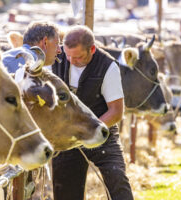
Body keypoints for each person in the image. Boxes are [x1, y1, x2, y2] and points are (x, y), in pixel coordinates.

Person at [51, 25, 134, 200]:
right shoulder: (56, 59)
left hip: (102, 130)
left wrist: (90, 130)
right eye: (68, 55)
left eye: (78, 57)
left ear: (93, 49)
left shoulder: (108, 66)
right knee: (65, 191)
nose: (72, 61)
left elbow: (116, 111)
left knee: (118, 180)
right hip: (67, 136)